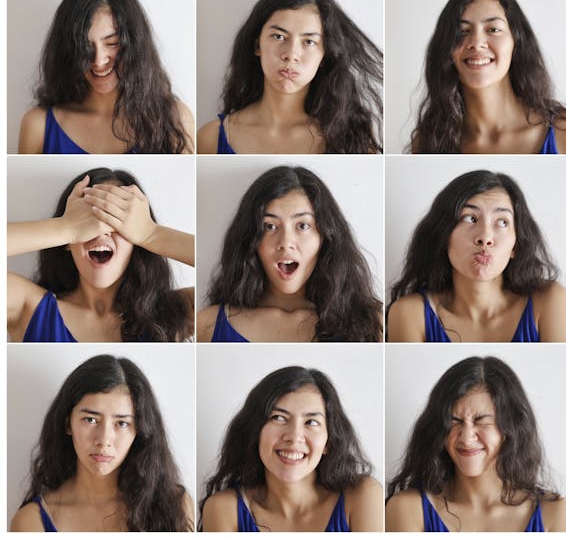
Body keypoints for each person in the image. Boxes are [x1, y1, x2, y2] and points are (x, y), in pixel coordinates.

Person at [8, 167, 195, 342]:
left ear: (136, 242)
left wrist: (152, 234)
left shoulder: (175, 312)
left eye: (117, 222)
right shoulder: (28, 307)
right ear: (66, 243)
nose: (101, 231)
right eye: (90, 220)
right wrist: (64, 228)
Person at [197, 166, 382, 342]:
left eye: (302, 226)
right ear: (250, 239)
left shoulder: (373, 324)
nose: (285, 243)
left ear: (326, 236)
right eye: (269, 226)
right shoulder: (208, 325)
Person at [10, 354, 193, 531]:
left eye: (121, 423)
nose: (104, 440)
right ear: (68, 423)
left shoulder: (175, 507)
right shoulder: (32, 522)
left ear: (139, 430)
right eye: (90, 420)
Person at [386, 356, 566, 531]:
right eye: (454, 421)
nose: (466, 438)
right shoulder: (408, 509)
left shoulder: (554, 514)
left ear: (510, 427)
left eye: (481, 420)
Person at [197, 0, 381, 155]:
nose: (291, 54)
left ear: (325, 55)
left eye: (309, 41)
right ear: (257, 45)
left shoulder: (353, 141)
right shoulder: (211, 138)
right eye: (278, 37)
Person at [387, 170, 566, 343]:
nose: (485, 237)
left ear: (517, 244)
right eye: (470, 218)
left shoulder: (550, 301)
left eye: (502, 222)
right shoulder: (409, 313)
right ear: (443, 236)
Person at [18, 0, 194, 155]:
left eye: (112, 43)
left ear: (135, 45)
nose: (98, 60)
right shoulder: (37, 126)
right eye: (85, 47)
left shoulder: (176, 120)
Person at [200, 365, 383, 531]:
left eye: (311, 422)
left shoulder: (362, 496)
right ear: (254, 431)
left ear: (328, 442)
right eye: (278, 418)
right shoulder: (223, 508)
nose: (294, 437)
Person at [408, 0, 566, 154]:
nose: (477, 43)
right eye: (462, 31)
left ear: (516, 42)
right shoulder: (428, 141)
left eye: (493, 29)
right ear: (446, 48)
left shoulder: (565, 131)